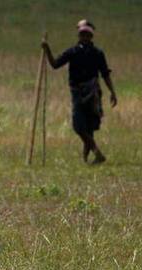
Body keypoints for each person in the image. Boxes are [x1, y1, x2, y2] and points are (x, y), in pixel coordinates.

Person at [42, 20, 117, 164]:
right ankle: (96, 153)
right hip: (77, 92)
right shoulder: (73, 52)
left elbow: (105, 74)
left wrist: (113, 92)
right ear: (79, 36)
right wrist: (47, 50)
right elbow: (55, 64)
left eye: (87, 35)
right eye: (82, 35)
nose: (84, 37)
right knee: (78, 125)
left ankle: (88, 158)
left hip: (93, 91)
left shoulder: (98, 54)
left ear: (91, 36)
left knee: (89, 126)